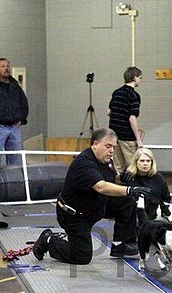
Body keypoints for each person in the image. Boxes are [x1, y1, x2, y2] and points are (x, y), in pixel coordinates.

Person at [32, 128, 152, 264]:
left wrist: (123, 178)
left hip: (95, 206)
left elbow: (112, 179)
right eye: (108, 146)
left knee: (127, 201)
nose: (112, 150)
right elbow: (101, 186)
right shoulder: (84, 163)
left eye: (114, 147)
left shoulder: (106, 160)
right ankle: (48, 239)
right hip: (74, 216)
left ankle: (121, 245)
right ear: (95, 144)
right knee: (81, 257)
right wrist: (129, 189)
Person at [107, 66, 144, 172]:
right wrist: (138, 139)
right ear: (135, 77)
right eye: (140, 78)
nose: (140, 80)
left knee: (118, 167)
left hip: (114, 134)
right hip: (127, 136)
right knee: (133, 165)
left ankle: (117, 187)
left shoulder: (116, 92)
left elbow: (109, 112)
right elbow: (132, 118)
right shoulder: (134, 95)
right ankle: (133, 188)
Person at [0, 57, 29, 165]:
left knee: (16, 157)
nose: (6, 68)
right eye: (3, 66)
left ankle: (14, 179)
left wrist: (22, 119)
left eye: (7, 66)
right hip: (0, 126)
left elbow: (24, 103)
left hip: (14, 127)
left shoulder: (15, 86)